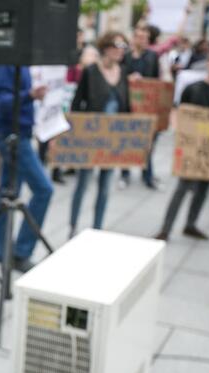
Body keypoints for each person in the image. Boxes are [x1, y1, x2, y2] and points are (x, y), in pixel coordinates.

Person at [155, 49, 209, 241]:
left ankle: (191, 224)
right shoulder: (193, 89)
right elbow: (182, 116)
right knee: (182, 189)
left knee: (203, 189)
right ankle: (166, 229)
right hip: (192, 148)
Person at [0, 65, 53, 273]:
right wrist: (30, 95)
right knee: (44, 189)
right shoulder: (5, 64)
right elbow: (1, 102)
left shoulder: (23, 63)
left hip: (19, 131)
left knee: (8, 191)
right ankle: (21, 252)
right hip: (11, 134)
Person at [68, 31, 130, 238]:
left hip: (112, 139)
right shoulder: (91, 71)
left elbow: (126, 106)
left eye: (123, 48)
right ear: (106, 48)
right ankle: (73, 226)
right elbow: (78, 102)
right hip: (91, 137)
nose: (120, 52)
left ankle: (97, 228)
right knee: (83, 183)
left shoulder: (123, 72)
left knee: (105, 186)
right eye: (117, 47)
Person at [121, 24, 160, 189]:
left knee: (148, 142)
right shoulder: (126, 56)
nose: (142, 39)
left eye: (145, 37)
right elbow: (120, 75)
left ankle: (147, 175)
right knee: (127, 140)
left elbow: (156, 79)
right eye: (139, 36)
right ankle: (125, 173)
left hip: (146, 105)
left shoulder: (152, 56)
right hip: (129, 103)